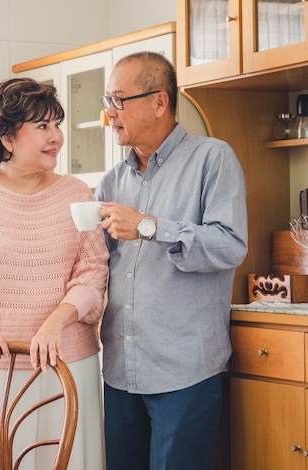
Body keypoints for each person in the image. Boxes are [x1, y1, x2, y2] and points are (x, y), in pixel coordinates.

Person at [0, 77, 109, 469]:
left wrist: (55, 324)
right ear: (7, 137)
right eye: (42, 126)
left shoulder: (77, 193)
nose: (56, 137)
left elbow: (93, 273)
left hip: (69, 368)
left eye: (56, 125)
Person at [95, 51, 248, 470]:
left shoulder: (213, 159)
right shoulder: (111, 181)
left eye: (118, 100)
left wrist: (150, 227)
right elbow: (92, 267)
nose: (110, 114)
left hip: (185, 373)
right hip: (120, 370)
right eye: (107, 102)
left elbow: (230, 244)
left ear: (159, 102)